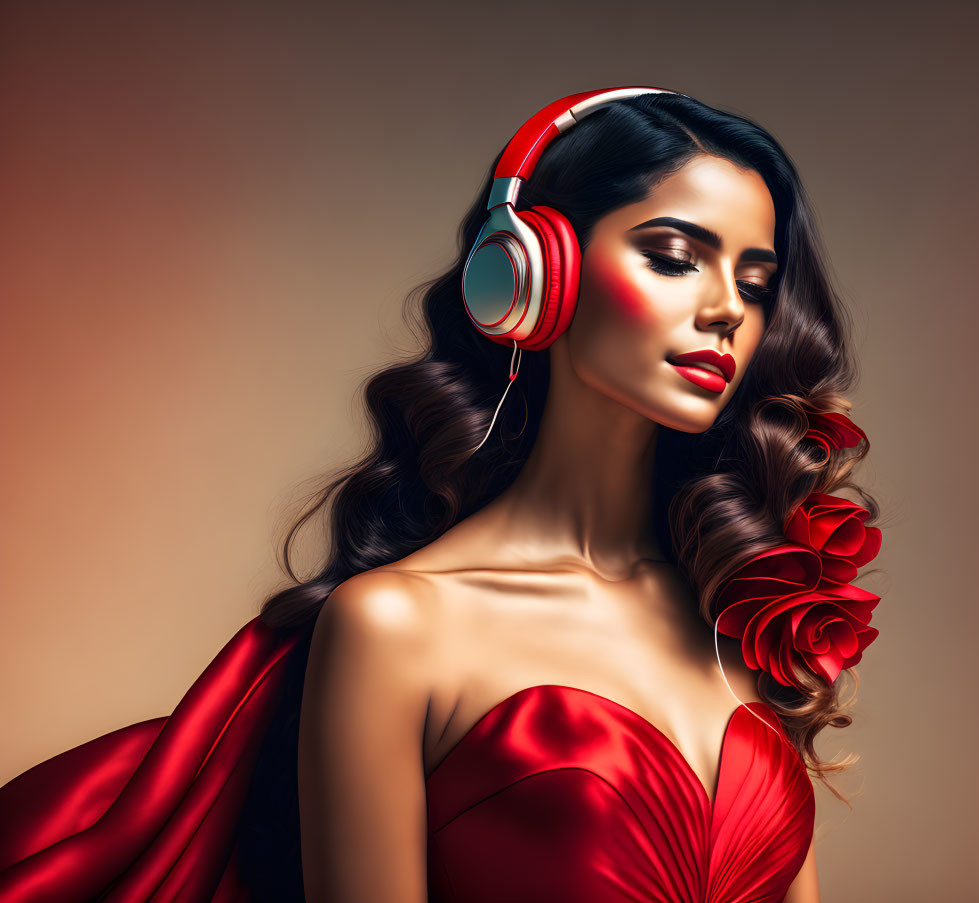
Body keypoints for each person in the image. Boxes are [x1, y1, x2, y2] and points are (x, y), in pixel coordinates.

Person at [0, 87, 883, 903]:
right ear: (533, 273)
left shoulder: (743, 604)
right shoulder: (394, 626)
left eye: (756, 284)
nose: (728, 309)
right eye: (672, 257)